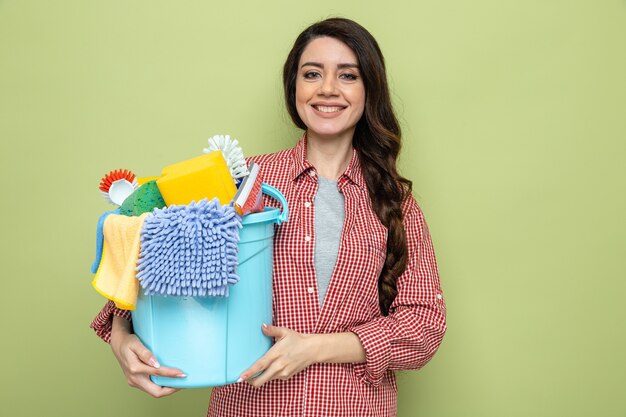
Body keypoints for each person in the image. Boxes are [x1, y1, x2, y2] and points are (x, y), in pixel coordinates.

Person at [91, 17, 446, 417]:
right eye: (312, 74)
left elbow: (424, 325)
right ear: (294, 87)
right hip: (250, 407)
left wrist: (315, 348)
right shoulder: (242, 183)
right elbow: (159, 255)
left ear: (369, 91)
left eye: (348, 75)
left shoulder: (395, 201)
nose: (328, 88)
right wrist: (122, 335)